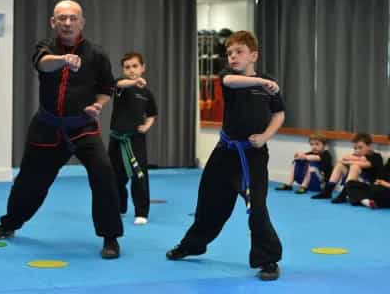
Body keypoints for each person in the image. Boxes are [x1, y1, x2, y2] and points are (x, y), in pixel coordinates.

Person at [0, 0, 123, 259]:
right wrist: (63, 59)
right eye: (62, 18)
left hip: (83, 127)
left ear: (82, 22)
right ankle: (9, 224)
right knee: (29, 181)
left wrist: (98, 105)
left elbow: (107, 88)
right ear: (53, 22)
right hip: (47, 127)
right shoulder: (45, 47)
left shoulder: (97, 53)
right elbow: (43, 63)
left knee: (104, 176)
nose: (68, 23)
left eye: (73, 18)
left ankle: (110, 237)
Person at [166, 30, 285, 281]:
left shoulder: (268, 82)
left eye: (239, 52)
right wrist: (260, 83)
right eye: (229, 53)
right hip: (224, 155)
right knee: (209, 205)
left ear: (253, 55)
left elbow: (279, 114)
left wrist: (265, 136)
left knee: (257, 207)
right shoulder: (230, 78)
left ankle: (268, 259)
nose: (232, 56)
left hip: (252, 157)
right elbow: (231, 82)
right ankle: (193, 244)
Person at [108, 52, 158, 225]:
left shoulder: (147, 94)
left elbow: (152, 114)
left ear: (143, 68)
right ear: (123, 70)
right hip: (116, 139)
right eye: (127, 67)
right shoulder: (120, 86)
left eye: (135, 66)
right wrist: (133, 82)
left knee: (139, 175)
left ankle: (141, 212)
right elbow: (121, 83)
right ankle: (119, 207)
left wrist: (146, 126)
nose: (131, 70)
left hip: (135, 140)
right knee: (115, 176)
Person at [311, 133, 384, 204]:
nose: (357, 150)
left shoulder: (376, 156)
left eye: (360, 147)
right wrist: (353, 160)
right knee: (340, 165)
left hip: (369, 186)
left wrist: (351, 161)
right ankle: (327, 192)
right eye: (355, 148)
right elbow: (343, 158)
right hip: (357, 183)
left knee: (355, 167)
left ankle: (343, 194)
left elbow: (366, 164)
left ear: (369, 146)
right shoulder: (357, 155)